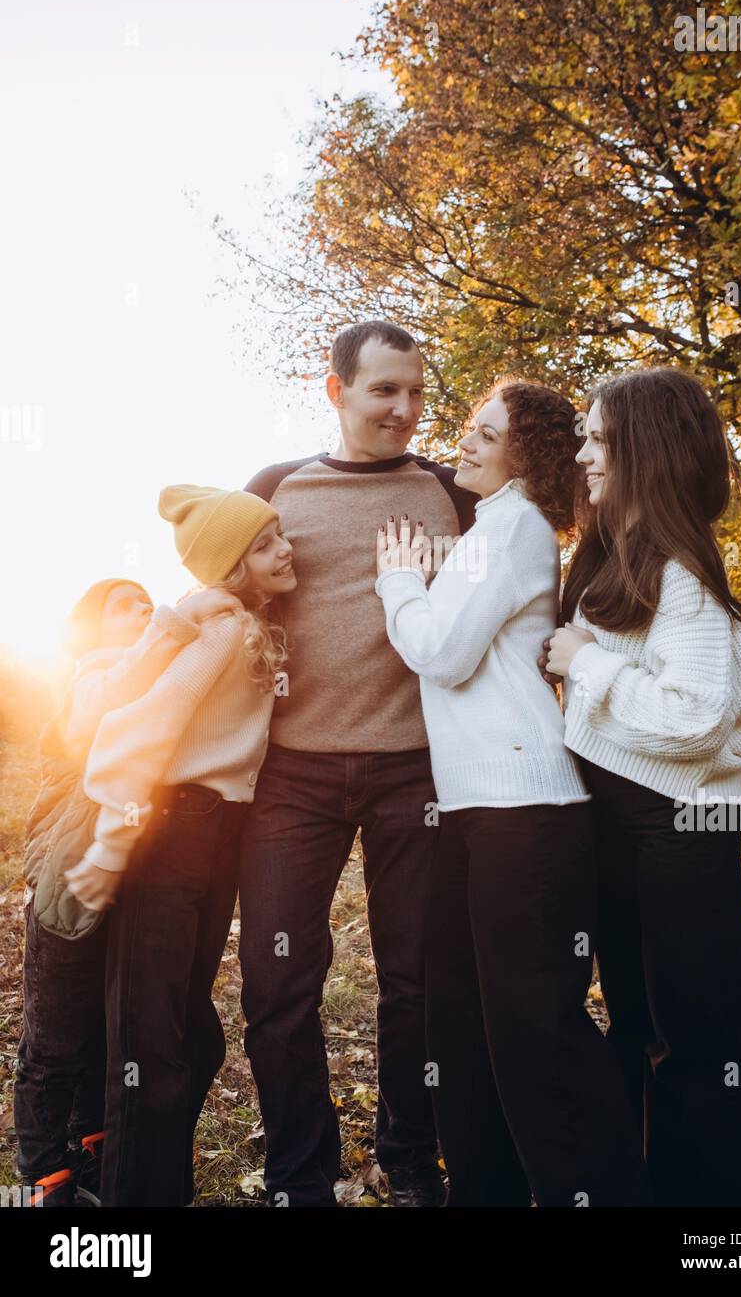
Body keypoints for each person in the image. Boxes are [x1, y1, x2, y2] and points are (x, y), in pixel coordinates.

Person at [375, 378, 647, 1207]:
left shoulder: (516, 527)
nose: (465, 440)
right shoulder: (490, 531)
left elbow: (445, 653)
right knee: (463, 1027)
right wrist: (429, 583)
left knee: (538, 1034)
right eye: (469, 426)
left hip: (526, 815)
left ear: (523, 455)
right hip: (473, 813)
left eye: (486, 434)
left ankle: (602, 1192)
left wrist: (397, 578)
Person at [239, 320, 476, 1207]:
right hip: (290, 777)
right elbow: (224, 604)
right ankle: (300, 1174)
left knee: (419, 982)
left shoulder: (457, 494)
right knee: (276, 978)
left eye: (416, 392)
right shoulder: (273, 489)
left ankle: (411, 1162)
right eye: (384, 391)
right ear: (336, 391)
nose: (405, 410)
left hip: (415, 772)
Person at [545, 367, 741, 1207]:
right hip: (620, 826)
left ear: (642, 448)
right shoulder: (608, 553)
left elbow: (698, 720)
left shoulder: (683, 572)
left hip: (681, 831)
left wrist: (585, 663)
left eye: (599, 438)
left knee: (697, 1047)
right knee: (638, 1030)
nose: (584, 453)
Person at [66, 486, 296, 1206]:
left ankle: (132, 1179)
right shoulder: (223, 627)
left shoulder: (252, 621)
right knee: (151, 1041)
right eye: (263, 546)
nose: (285, 550)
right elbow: (139, 732)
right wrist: (110, 847)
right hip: (170, 831)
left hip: (216, 836)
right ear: (230, 568)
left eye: (280, 535)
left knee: (185, 1036)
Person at [15, 577, 236, 1206]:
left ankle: (92, 1160)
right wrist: (172, 622)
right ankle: (42, 1180)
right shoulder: (94, 675)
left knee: (109, 1039)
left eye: (149, 601)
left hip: (143, 885)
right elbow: (98, 712)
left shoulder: (159, 678)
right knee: (53, 1042)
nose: (145, 611)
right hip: (71, 889)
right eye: (127, 606)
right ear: (92, 628)